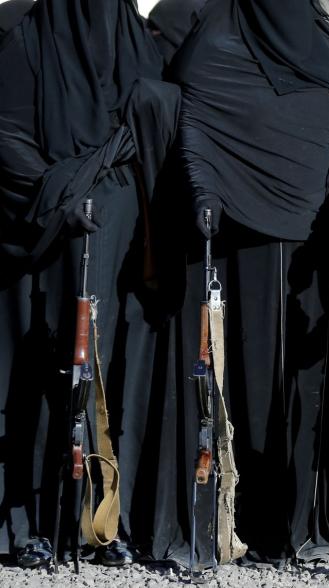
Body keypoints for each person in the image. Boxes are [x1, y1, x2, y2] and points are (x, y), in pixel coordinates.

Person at [166, 0, 329, 564]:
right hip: (233, 245)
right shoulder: (217, 47)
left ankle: (298, 526)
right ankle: (232, 521)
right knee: (235, 382)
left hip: (310, 251)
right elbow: (195, 124)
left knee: (301, 388)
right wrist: (205, 192)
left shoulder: (323, 51)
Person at [0, 0, 179, 568]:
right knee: (45, 377)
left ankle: (100, 524)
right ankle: (28, 523)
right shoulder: (25, 43)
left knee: (108, 381)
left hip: (121, 241)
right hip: (44, 241)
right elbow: (5, 134)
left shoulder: (137, 44)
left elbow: (162, 118)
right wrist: (59, 190)